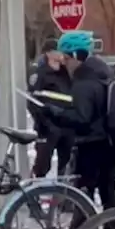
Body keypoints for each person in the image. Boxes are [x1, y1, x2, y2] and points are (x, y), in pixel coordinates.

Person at [42, 31, 115, 229]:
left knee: (83, 197)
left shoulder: (85, 82)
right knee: (108, 196)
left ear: (77, 55)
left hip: (92, 146)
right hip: (110, 142)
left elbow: (82, 119)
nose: (64, 63)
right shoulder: (103, 73)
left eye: (66, 58)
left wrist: (54, 113)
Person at [29, 39, 73, 178]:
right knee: (42, 164)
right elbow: (33, 102)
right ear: (49, 53)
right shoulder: (40, 74)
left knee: (66, 164)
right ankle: (35, 191)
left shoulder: (66, 73)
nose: (62, 54)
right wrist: (45, 123)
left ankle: (61, 196)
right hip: (46, 128)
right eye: (58, 51)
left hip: (66, 125)